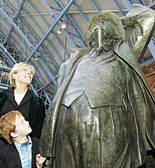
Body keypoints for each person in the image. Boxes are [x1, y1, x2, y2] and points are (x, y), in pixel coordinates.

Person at [40, 4, 155, 168]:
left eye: (107, 24)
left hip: (106, 118)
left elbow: (148, 16)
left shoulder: (124, 52)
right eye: (96, 23)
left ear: (115, 34)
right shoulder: (74, 60)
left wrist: (120, 20)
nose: (100, 25)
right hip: (66, 120)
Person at [0, 62, 45, 138]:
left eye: (31, 72)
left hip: (22, 147)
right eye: (24, 70)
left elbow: (38, 129)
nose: (29, 73)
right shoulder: (0, 96)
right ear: (14, 75)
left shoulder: (37, 102)